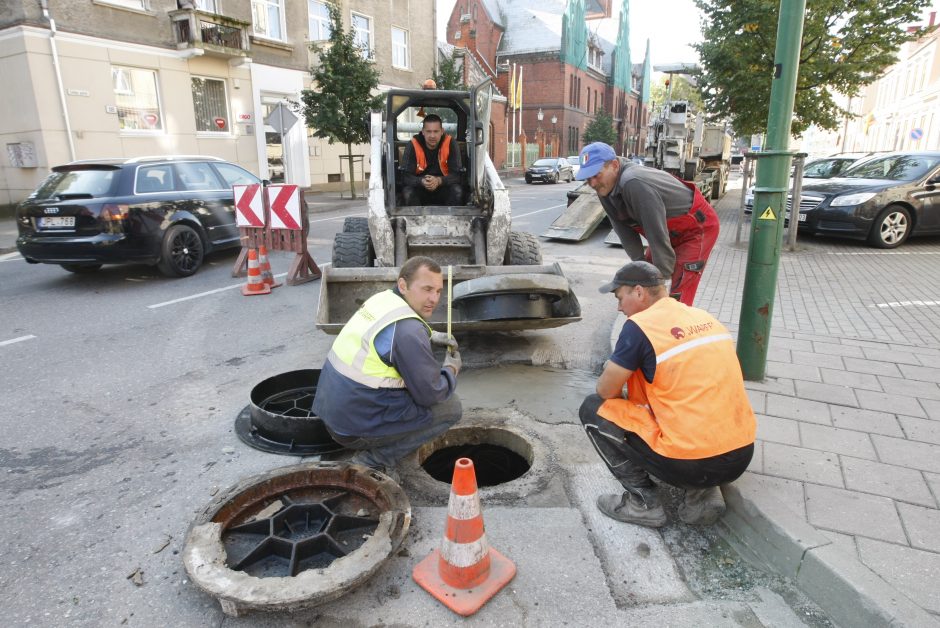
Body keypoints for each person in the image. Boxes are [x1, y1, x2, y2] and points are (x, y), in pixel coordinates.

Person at [579, 261, 756, 527]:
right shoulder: (703, 317)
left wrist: (617, 374)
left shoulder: (640, 326)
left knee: (594, 409)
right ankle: (701, 496)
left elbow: (605, 391)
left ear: (639, 292)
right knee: (688, 405)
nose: (619, 307)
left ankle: (643, 503)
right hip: (740, 454)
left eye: (620, 297)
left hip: (691, 463)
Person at [313, 256, 462, 478]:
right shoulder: (408, 332)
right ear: (403, 285)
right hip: (352, 429)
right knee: (451, 408)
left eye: (439, 291)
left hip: (332, 413)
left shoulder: (382, 299)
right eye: (427, 289)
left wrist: (431, 334)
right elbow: (431, 394)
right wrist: (451, 369)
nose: (434, 298)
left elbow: (395, 331)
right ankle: (372, 460)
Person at [575, 142, 720, 306]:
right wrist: (640, 267)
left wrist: (660, 280)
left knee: (678, 295)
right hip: (667, 231)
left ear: (614, 165)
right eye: (588, 178)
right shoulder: (604, 190)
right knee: (644, 280)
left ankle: (674, 326)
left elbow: (656, 234)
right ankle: (649, 324)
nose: (592, 183)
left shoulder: (634, 183)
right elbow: (624, 232)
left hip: (696, 229)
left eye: (596, 175)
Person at [400, 113, 464, 206]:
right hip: (420, 188)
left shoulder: (451, 144)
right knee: (407, 192)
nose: (432, 136)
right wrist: (421, 181)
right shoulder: (413, 145)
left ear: (442, 131)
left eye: (436, 131)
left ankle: (451, 219)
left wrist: (439, 181)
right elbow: (405, 177)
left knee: (457, 191)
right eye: (429, 131)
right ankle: (416, 220)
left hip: (443, 187)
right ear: (423, 132)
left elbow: (458, 176)